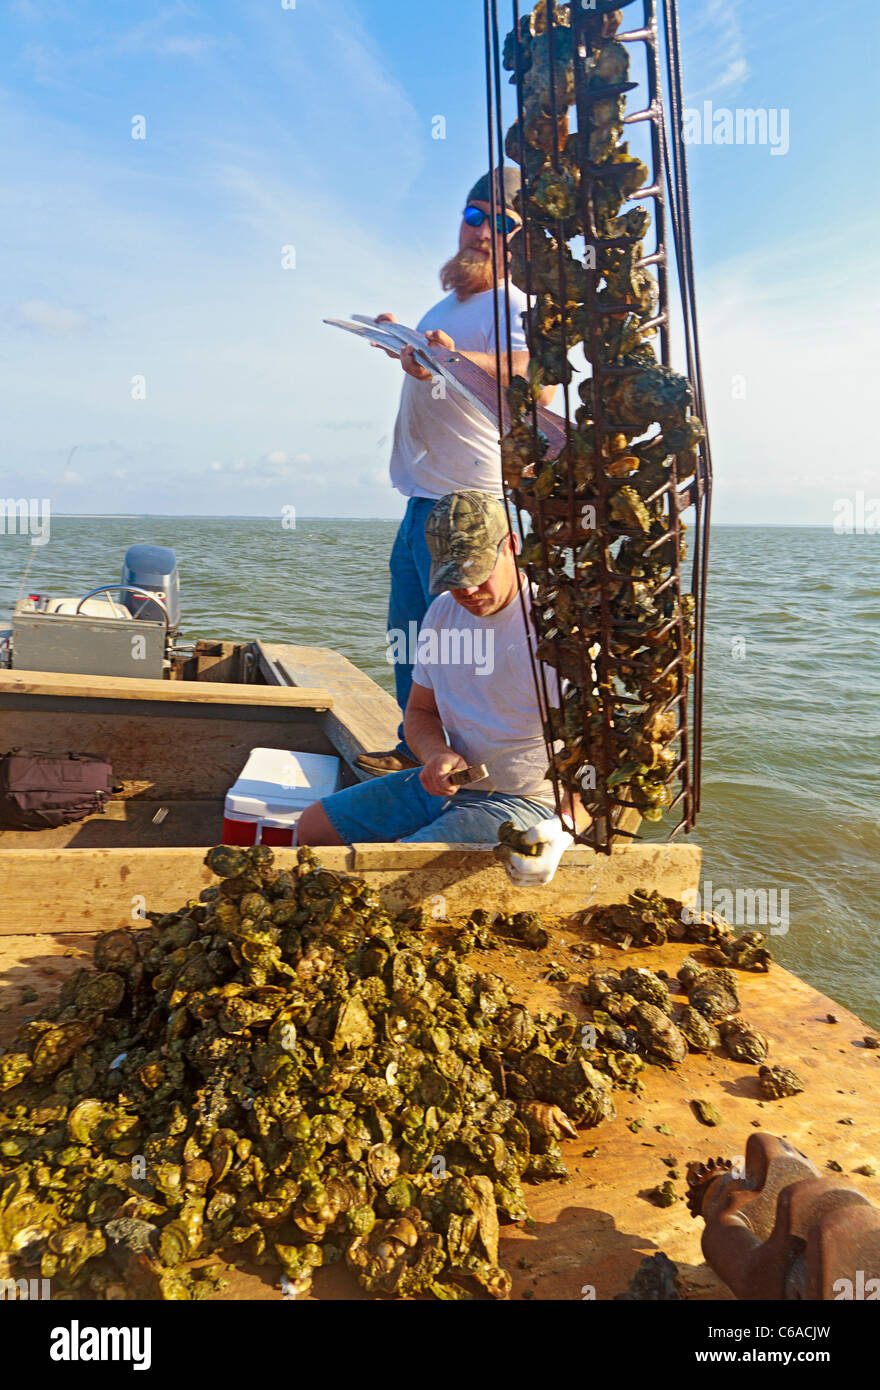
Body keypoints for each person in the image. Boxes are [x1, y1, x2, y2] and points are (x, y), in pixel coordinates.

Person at [355, 166, 555, 777]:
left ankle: (466, 763)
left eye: (502, 223)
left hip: (467, 502)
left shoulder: (514, 304)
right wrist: (407, 344)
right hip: (419, 496)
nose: (483, 231)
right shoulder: (446, 303)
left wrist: (449, 356)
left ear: (522, 240)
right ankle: (412, 746)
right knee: (410, 636)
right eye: (474, 216)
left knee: (456, 635)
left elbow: (536, 384)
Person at [297, 491, 585, 887]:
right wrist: (435, 754)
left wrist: (564, 829)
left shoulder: (557, 631)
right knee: (313, 829)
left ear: (512, 547)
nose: (466, 591)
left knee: (396, 875)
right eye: (452, 579)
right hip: (451, 784)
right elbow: (420, 712)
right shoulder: (443, 613)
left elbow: (599, 758)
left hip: (528, 799)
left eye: (476, 573)